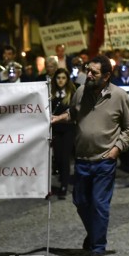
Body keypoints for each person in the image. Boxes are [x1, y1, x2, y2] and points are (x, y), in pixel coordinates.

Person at [51, 55, 129, 256]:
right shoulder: (81, 91)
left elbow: (128, 128)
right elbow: (73, 113)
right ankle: (94, 233)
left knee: (99, 203)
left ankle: (98, 247)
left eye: (94, 72)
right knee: (80, 201)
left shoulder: (119, 96)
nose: (88, 75)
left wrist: (117, 149)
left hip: (104, 160)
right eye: (88, 70)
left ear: (106, 76)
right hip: (82, 159)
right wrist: (57, 118)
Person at [111, 59, 129, 175]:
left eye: (127, 68)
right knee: (120, 138)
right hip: (120, 114)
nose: (124, 71)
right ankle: (124, 162)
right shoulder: (115, 81)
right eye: (122, 69)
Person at [50, 68, 77, 199]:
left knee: (65, 158)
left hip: (68, 130)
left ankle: (64, 186)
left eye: (63, 78)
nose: (60, 80)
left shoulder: (72, 93)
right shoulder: (51, 94)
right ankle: (62, 178)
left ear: (67, 80)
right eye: (58, 77)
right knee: (58, 158)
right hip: (56, 130)